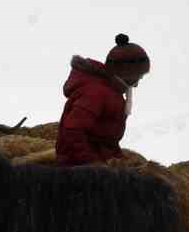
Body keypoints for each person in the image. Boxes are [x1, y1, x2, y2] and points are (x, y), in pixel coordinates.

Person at [55, 33, 150, 166]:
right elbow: (73, 131)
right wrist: (95, 166)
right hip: (79, 169)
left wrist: (118, 160)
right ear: (125, 74)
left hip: (98, 164)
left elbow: (105, 142)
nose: (136, 85)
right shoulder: (96, 93)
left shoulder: (112, 93)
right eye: (137, 78)